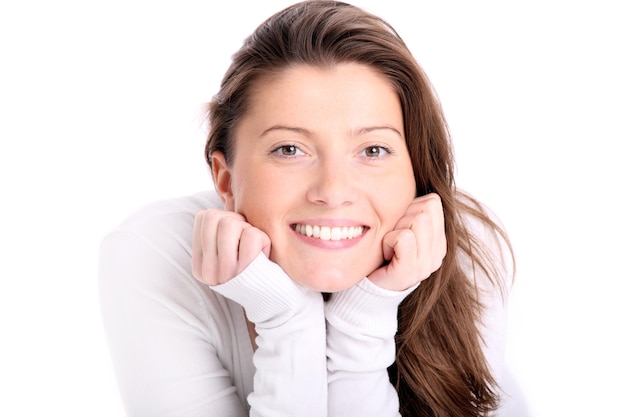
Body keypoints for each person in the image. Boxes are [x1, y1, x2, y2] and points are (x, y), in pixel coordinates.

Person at [99, 1, 521, 416]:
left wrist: (364, 319)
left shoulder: (465, 246)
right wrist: (286, 323)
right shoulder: (151, 256)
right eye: (289, 149)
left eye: (373, 150)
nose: (333, 191)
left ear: (415, 171)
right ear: (225, 179)